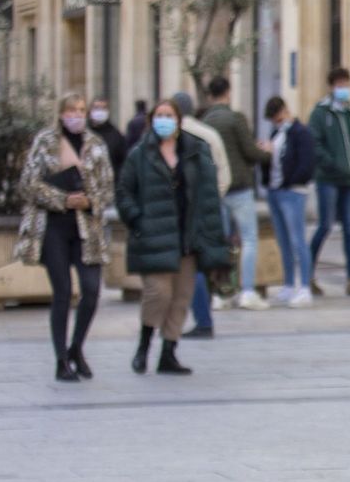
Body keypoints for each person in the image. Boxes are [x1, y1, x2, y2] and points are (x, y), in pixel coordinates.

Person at [116, 99, 232, 375]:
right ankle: (144, 347)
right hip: (154, 236)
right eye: (159, 115)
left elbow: (208, 198)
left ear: (179, 120)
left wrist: (213, 239)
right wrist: (136, 218)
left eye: (169, 115)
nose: (164, 120)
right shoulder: (140, 153)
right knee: (158, 293)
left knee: (182, 297)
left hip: (187, 237)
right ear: (151, 120)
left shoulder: (196, 151)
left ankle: (168, 351)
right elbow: (123, 192)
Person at [14, 93, 115, 381]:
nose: (77, 115)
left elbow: (108, 187)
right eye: (71, 110)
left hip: (87, 228)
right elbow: (28, 183)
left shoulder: (96, 145)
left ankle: (76, 348)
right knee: (62, 293)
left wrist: (90, 200)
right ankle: (61, 360)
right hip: (54, 227)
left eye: (81, 110)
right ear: (60, 113)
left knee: (91, 290)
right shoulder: (46, 142)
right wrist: (62, 199)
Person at [202, 76, 274, 310]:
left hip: (216, 189)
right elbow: (250, 152)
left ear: (210, 95)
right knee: (249, 239)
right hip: (240, 187)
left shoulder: (205, 122)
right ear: (228, 93)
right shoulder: (236, 119)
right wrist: (268, 153)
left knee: (221, 242)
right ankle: (247, 291)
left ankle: (222, 293)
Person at [171, 91, 231, 339]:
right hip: (209, 209)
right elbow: (224, 173)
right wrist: (212, 199)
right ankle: (203, 316)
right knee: (202, 264)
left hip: (185, 213)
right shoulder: (210, 134)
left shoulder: (172, 137)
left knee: (190, 265)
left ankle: (202, 320)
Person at [309, 67, 350, 296]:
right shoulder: (321, 113)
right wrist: (333, 165)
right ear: (332, 86)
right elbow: (316, 144)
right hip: (328, 179)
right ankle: (308, 272)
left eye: (347, 83)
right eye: (341, 84)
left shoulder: (349, 114)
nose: (344, 88)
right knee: (324, 226)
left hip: (349, 181)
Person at [261, 95, 315, 307]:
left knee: (297, 240)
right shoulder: (276, 133)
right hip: (275, 191)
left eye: (276, 117)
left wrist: (292, 181)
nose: (275, 122)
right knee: (282, 240)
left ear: (284, 112)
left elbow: (307, 163)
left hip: (293, 192)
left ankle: (305, 286)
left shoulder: (300, 133)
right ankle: (288, 283)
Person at [87, 97, 128, 179]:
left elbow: (123, 162)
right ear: (90, 111)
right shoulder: (84, 133)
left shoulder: (116, 135)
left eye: (103, 108)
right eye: (97, 108)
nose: (100, 111)